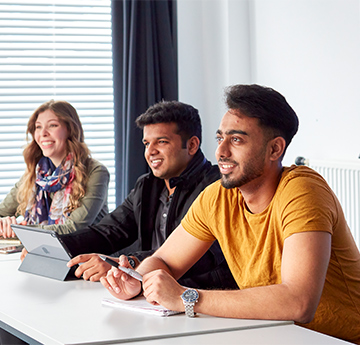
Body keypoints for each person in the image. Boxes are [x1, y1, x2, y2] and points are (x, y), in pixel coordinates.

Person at [101, 85, 360, 344]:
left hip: (337, 339)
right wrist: (138, 281)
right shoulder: (219, 196)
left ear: (275, 149)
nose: (221, 152)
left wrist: (186, 297)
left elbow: (299, 302)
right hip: (273, 336)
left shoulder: (302, 191)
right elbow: (164, 262)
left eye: (236, 140)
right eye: (220, 138)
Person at [62, 100, 237, 290]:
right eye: (147, 143)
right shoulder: (146, 185)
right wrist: (56, 246)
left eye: (161, 142)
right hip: (148, 294)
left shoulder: (219, 188)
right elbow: (109, 232)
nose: (150, 151)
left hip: (200, 297)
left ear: (192, 145)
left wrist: (130, 265)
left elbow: (206, 256)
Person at [0, 100, 109, 236]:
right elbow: (1, 212)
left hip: (90, 254)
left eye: (52, 125)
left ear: (70, 130)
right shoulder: (36, 174)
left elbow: (74, 228)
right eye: (38, 127)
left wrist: (23, 230)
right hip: (44, 252)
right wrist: (4, 223)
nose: (43, 133)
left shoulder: (96, 172)